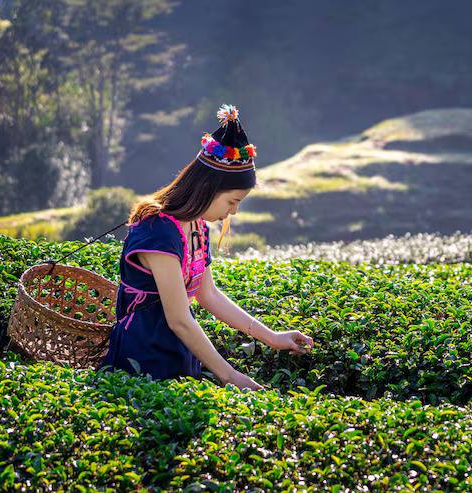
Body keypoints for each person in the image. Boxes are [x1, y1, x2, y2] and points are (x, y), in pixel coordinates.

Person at [98, 104, 314, 391]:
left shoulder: (196, 227)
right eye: (232, 202)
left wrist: (272, 337)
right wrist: (230, 375)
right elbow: (178, 319)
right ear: (208, 189)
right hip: (143, 357)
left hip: (179, 354)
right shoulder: (158, 231)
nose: (233, 212)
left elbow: (208, 294)